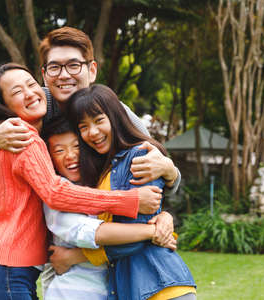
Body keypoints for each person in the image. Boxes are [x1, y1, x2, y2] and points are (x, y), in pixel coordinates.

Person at [0, 64, 163, 300]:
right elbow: (55, 193)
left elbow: (137, 137)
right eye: (17, 92)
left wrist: (169, 171)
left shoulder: (27, 137)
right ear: (4, 106)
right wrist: (131, 200)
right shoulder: (22, 137)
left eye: (31, 84)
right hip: (5, 270)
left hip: (8, 271)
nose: (29, 93)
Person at [0, 27, 180, 193]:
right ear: (44, 74)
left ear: (92, 70)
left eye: (74, 65)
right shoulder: (35, 101)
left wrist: (171, 173)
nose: (64, 75)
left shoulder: (113, 112)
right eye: (55, 67)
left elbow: (156, 162)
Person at [58, 84, 197, 300]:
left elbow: (136, 234)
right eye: (83, 127)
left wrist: (74, 256)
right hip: (132, 288)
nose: (92, 132)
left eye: (98, 120)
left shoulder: (140, 157)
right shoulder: (105, 168)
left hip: (161, 286)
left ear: (115, 117)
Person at [39, 117, 177, 300]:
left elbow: (127, 225)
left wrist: (164, 217)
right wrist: (153, 231)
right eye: (59, 150)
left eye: (76, 146)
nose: (70, 155)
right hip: (72, 292)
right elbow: (89, 233)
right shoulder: (57, 192)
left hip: (113, 290)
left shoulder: (103, 182)